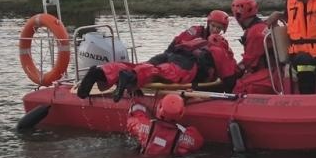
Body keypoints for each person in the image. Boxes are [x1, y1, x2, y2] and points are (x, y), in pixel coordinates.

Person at [76, 28, 237, 100]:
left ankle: (102, 71)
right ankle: (130, 77)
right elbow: (229, 80)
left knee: (137, 65)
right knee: (161, 73)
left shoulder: (195, 39)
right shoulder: (219, 51)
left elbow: (174, 44)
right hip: (186, 65)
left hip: (171, 54)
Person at [125, 93, 203, 157]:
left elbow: (135, 112)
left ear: (159, 108)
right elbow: (198, 141)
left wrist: (139, 100)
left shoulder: (143, 127)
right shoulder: (183, 136)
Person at [229, 0, 275, 95]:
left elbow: (249, 61)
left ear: (238, 15)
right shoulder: (261, 26)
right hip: (273, 71)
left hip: (269, 73)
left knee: (240, 87)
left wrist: (231, 73)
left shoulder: (255, 32)